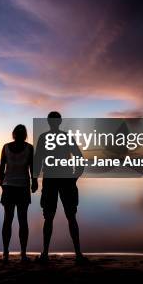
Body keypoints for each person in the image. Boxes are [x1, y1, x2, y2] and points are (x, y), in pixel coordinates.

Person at [34, 111, 89, 265]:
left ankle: (75, 254)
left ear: (56, 122)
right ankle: (49, 253)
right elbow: (38, 159)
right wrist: (34, 179)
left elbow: (79, 158)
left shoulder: (54, 137)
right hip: (55, 179)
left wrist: (75, 177)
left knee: (67, 216)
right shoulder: (49, 137)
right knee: (53, 217)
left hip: (61, 179)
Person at [0, 124, 38, 263]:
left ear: (13, 134)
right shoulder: (28, 148)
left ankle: (7, 253)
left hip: (12, 187)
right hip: (18, 187)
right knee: (20, 221)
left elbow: (2, 167)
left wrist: (1, 181)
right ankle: (20, 254)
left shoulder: (8, 147)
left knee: (9, 220)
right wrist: (34, 182)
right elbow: (33, 168)